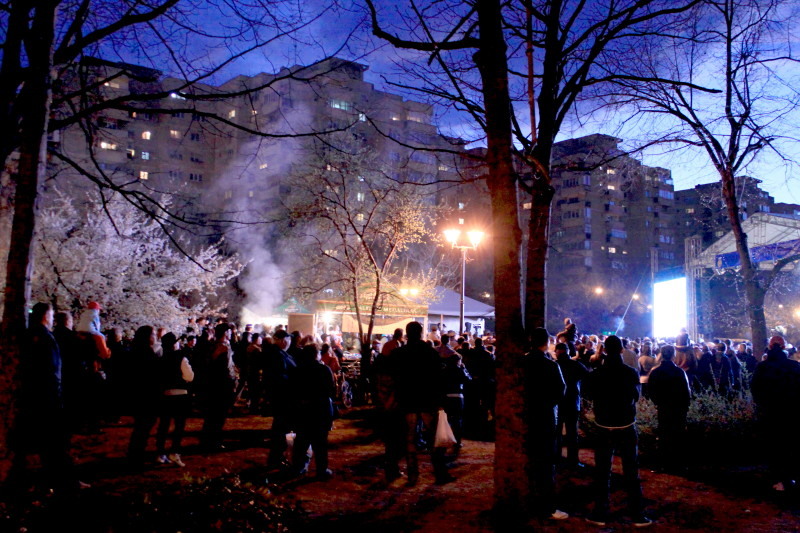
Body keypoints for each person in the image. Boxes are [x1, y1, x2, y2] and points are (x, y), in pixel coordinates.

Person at [11, 303, 87, 490]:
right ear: (46, 316)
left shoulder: (28, 335)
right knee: (56, 442)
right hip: (48, 398)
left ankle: (48, 479)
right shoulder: (45, 337)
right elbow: (52, 370)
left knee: (45, 443)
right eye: (51, 315)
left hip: (33, 396)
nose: (53, 319)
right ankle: (64, 481)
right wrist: (56, 394)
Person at [583, 335, 651, 527]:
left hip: (603, 426)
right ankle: (637, 514)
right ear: (622, 350)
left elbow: (587, 394)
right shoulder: (630, 373)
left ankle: (600, 512)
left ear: (604, 350)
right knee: (631, 470)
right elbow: (635, 396)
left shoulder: (596, 373)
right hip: (626, 426)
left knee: (602, 471)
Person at [389, 321, 451, 486]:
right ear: (421, 332)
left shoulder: (399, 353)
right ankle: (439, 472)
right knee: (433, 437)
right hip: (426, 399)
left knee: (409, 438)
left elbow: (393, 376)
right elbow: (438, 376)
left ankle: (412, 474)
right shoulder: (429, 352)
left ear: (407, 333)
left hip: (407, 399)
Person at [525, 329, 568, 520]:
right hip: (545, 417)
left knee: (529, 460)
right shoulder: (550, 365)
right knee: (546, 462)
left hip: (526, 416)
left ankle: (528, 500)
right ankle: (547, 506)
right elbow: (560, 390)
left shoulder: (522, 363)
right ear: (547, 343)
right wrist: (548, 404)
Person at [751, 335, 800, 492]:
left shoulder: (762, 367)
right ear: (784, 348)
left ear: (770, 347)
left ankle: (778, 480)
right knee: (790, 446)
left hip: (769, 413)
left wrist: (762, 405)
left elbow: (755, 389)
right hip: (790, 413)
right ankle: (790, 478)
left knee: (773, 447)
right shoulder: (794, 366)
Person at [289, 344, 337, 479]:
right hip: (320, 411)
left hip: (303, 410)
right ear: (317, 355)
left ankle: (297, 467)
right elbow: (330, 390)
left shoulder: (297, 370)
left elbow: (292, 390)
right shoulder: (324, 369)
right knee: (320, 443)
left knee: (301, 441)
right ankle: (321, 470)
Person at [647, 344, 691, 473]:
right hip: (678, 408)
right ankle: (677, 464)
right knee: (677, 436)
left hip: (663, 408)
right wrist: (685, 407)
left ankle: (662, 463)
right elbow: (686, 392)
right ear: (673, 355)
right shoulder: (679, 372)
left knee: (664, 434)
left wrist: (658, 402)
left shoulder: (656, 372)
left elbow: (651, 391)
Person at [155, 332, 194, 467]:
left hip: (165, 395)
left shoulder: (160, 358)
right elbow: (189, 376)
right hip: (180, 395)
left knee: (163, 426)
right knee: (179, 426)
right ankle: (174, 452)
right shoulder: (181, 358)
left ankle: (160, 453)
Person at [126, 325, 162, 468]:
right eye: (153, 334)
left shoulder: (135, 350)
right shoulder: (146, 353)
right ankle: (136, 455)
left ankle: (135, 453)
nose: (155, 337)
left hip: (139, 394)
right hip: (146, 394)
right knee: (144, 426)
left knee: (142, 426)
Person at [265, 329, 297, 471]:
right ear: (283, 341)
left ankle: (278, 457)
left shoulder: (281, 354)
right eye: (288, 339)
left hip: (283, 396)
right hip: (283, 397)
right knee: (280, 428)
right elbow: (280, 377)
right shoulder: (277, 355)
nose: (289, 342)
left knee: (281, 428)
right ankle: (276, 459)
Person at [200, 323, 236, 450]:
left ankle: (208, 439)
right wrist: (232, 379)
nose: (231, 334)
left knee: (214, 415)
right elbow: (224, 367)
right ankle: (213, 441)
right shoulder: (221, 347)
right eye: (229, 332)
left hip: (215, 385)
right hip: (220, 385)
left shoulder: (216, 345)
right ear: (225, 333)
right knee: (218, 415)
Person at [554, 342, 589, 468]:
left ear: (557, 352)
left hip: (557, 403)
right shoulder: (576, 365)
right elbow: (587, 377)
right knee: (572, 433)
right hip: (572, 402)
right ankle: (573, 460)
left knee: (557, 433)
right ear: (568, 351)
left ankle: (556, 458)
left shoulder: (554, 365)